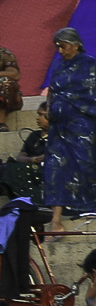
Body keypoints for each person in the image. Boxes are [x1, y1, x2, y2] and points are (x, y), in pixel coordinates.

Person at [45, 29, 95, 220]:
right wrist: (49, 108)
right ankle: (58, 215)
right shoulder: (58, 65)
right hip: (59, 127)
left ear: (76, 45)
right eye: (58, 47)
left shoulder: (90, 65)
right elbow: (52, 90)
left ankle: (88, 204)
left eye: (63, 46)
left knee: (85, 163)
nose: (60, 51)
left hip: (83, 125)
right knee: (55, 165)